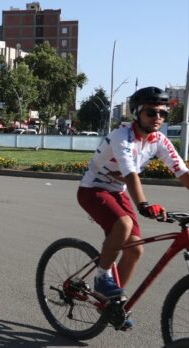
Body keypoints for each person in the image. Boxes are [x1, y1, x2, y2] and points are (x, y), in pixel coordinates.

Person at [77, 87, 189, 326]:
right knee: (124, 224)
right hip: (92, 189)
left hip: (118, 192)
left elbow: (182, 172)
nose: (157, 117)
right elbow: (130, 174)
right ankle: (101, 277)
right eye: (151, 112)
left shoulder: (159, 140)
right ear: (138, 113)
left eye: (163, 113)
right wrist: (144, 204)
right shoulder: (122, 136)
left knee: (135, 249)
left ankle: (112, 303)